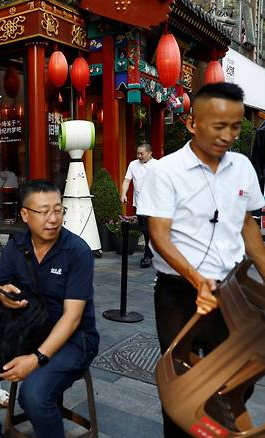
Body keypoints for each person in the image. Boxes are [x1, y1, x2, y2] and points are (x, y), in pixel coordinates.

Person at [138, 82, 265, 438]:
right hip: (180, 294)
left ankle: (215, 425)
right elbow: (159, 235)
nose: (228, 136)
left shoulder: (242, 167)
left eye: (236, 126)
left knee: (241, 375)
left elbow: (247, 225)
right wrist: (197, 281)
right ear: (192, 122)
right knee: (181, 385)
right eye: (218, 126)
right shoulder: (166, 171)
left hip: (231, 291)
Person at [0, 180, 99, 438]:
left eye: (58, 210)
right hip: (23, 331)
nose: (53, 218)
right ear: (25, 214)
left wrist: (36, 359)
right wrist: (3, 296)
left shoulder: (77, 251)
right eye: (44, 211)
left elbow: (72, 317)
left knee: (34, 395)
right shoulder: (17, 245)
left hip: (72, 340)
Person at [121, 143, 158, 268]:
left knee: (150, 231)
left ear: (150, 153)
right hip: (140, 203)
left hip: (154, 204)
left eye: (141, 153)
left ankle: (148, 255)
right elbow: (127, 180)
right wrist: (123, 194)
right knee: (145, 230)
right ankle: (151, 254)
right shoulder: (133, 164)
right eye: (138, 153)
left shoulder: (158, 165)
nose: (139, 156)